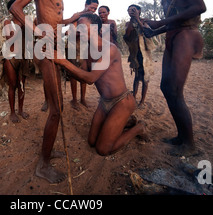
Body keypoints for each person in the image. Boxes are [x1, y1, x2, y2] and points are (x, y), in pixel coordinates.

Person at [9, 0, 82, 184]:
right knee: (56, 110)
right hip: (46, 49)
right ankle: (43, 165)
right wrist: (39, 33)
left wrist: (74, 18)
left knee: (57, 105)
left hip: (54, 48)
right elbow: (15, 8)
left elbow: (56, 20)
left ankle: (48, 152)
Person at [55, 13, 146, 156]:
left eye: (82, 26)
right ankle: (125, 122)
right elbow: (82, 76)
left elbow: (91, 78)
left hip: (121, 101)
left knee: (102, 149)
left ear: (95, 28)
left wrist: (63, 62)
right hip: (104, 102)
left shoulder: (110, 49)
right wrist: (60, 63)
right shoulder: (88, 51)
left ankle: (138, 128)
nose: (78, 30)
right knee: (92, 141)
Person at [144, 0, 206, 154]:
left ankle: (189, 145)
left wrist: (160, 22)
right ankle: (182, 137)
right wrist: (153, 30)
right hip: (174, 35)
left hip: (186, 35)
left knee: (175, 90)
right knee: (166, 87)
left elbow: (199, 6)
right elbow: (171, 21)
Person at [2, 0, 31, 123]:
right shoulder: (8, 22)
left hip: (23, 56)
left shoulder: (26, 21)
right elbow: (9, 40)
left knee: (22, 86)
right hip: (11, 56)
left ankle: (20, 109)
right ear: (11, 10)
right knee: (12, 85)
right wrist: (20, 26)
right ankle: (12, 112)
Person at [68, 0, 99, 110]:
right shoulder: (77, 16)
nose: (93, 10)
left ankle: (83, 99)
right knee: (73, 75)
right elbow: (71, 32)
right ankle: (74, 100)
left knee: (84, 73)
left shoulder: (92, 18)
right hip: (74, 48)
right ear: (86, 4)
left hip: (85, 49)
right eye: (92, 7)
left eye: (95, 9)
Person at [123, 4, 155, 108]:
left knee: (145, 78)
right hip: (135, 54)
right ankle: (134, 97)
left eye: (133, 10)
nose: (130, 12)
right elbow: (127, 37)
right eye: (129, 10)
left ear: (139, 11)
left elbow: (147, 33)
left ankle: (142, 101)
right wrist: (131, 24)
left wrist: (137, 19)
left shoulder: (144, 21)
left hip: (145, 54)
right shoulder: (128, 23)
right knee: (136, 77)